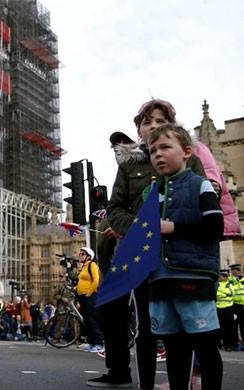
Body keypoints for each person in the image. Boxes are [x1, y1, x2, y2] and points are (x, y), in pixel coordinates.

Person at [91, 99, 207, 389]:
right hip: (141, 252)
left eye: (160, 121)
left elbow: (202, 201)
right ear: (139, 130)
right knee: (147, 325)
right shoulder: (129, 165)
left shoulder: (189, 159)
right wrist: (140, 229)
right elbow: (115, 207)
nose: (153, 127)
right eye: (147, 122)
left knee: (181, 327)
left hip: (179, 252)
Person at [146, 124, 224, 390]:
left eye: (166, 147)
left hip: (193, 276)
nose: (158, 154)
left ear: (187, 152)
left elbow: (215, 228)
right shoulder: (152, 193)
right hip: (160, 280)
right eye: (152, 150)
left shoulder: (200, 184)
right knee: (173, 349)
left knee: (204, 346)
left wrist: (175, 227)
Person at [74, 247, 103, 353]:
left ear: (88, 256)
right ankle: (92, 343)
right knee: (86, 320)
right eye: (80, 254)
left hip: (90, 296)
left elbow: (96, 280)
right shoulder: (83, 267)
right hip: (83, 296)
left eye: (82, 254)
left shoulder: (92, 265)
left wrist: (89, 292)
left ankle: (99, 343)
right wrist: (76, 289)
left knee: (92, 319)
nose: (80, 256)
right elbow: (80, 281)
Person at [216, 269, 236, 351]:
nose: (224, 277)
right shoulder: (217, 284)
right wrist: (224, 293)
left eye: (225, 276)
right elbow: (216, 294)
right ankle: (222, 344)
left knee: (229, 327)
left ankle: (229, 345)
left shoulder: (229, 284)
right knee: (220, 327)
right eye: (222, 276)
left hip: (228, 307)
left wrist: (221, 293)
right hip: (218, 308)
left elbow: (231, 294)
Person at [229, 264, 243, 351]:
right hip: (234, 305)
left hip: (243, 305)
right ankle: (236, 343)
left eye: (238, 270)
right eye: (235, 270)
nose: (236, 271)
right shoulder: (230, 280)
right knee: (234, 326)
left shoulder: (243, 280)